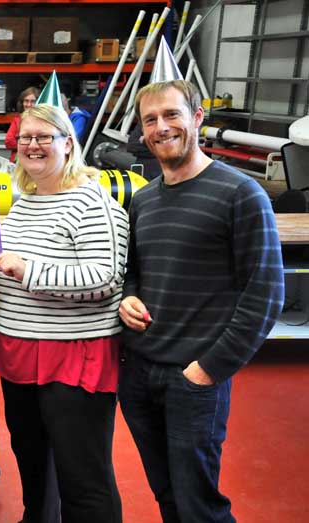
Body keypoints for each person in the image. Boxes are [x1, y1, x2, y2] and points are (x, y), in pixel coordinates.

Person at [119, 79, 284, 523]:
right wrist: (128, 298)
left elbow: (266, 294)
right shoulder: (144, 200)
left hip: (193, 379)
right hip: (139, 374)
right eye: (150, 119)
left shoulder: (240, 194)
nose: (161, 127)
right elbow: (134, 271)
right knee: (167, 495)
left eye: (172, 115)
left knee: (199, 506)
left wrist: (208, 369)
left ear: (196, 118)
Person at [0, 104, 127, 523]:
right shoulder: (25, 202)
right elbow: (7, 276)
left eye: (44, 137)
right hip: (19, 353)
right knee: (33, 468)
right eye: (26, 137)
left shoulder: (91, 202)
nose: (33, 145)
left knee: (83, 478)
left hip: (73, 354)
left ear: (68, 143)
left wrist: (28, 270)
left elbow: (105, 279)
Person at [5, 86, 40, 162]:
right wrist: (30, 145)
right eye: (26, 101)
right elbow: (8, 142)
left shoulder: (43, 121)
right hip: (18, 161)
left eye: (33, 101)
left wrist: (20, 141)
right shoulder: (17, 120)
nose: (28, 104)